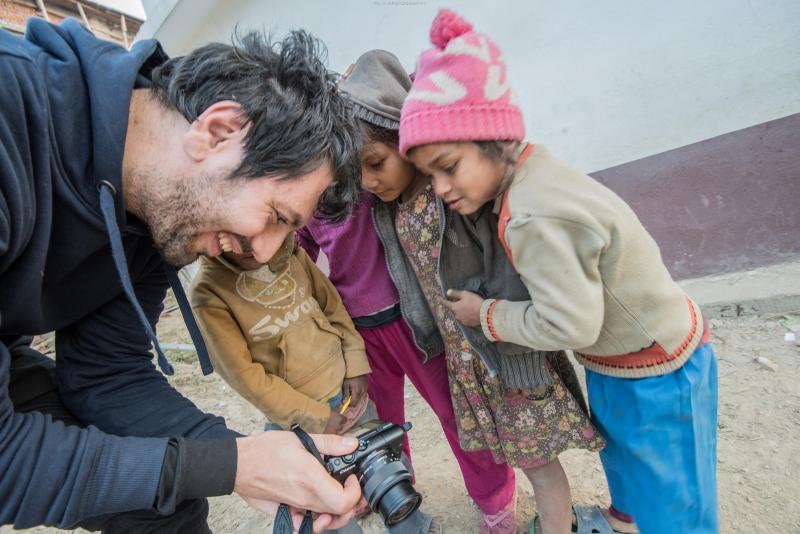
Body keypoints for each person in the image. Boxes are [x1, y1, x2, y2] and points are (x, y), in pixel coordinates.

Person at [0, 17, 364, 533]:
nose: (263, 253)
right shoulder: (10, 116)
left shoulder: (164, 212)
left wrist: (246, 460)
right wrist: (233, 466)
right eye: (277, 217)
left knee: (168, 505)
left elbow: (106, 375)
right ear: (218, 133)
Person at [401, 10, 719, 534]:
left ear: (490, 138)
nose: (439, 187)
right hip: (625, 363)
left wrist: (490, 315)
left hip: (659, 372)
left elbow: (572, 325)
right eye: (430, 174)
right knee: (633, 474)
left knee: (676, 504)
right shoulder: (530, 171)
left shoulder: (531, 214)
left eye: (448, 166)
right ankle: (625, 521)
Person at [347, 49, 604, 534]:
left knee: (541, 465)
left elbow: (505, 269)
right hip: (469, 362)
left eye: (376, 164)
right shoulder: (393, 207)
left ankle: (557, 527)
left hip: (508, 356)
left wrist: (513, 349)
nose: (368, 182)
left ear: (403, 142)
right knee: (519, 456)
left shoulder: (454, 194)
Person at [297, 49, 520, 534]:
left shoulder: (382, 170)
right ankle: (403, 507)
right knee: (379, 430)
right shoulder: (321, 187)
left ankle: (497, 504)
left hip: (417, 321)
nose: (366, 181)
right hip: (358, 337)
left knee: (460, 417)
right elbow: (300, 251)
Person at [190, 232, 372, 434]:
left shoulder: (291, 255)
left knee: (385, 460)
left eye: (258, 234)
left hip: (350, 396)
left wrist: (356, 366)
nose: (251, 246)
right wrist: (311, 417)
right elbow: (245, 376)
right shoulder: (208, 292)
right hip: (297, 422)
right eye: (237, 238)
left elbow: (334, 309)